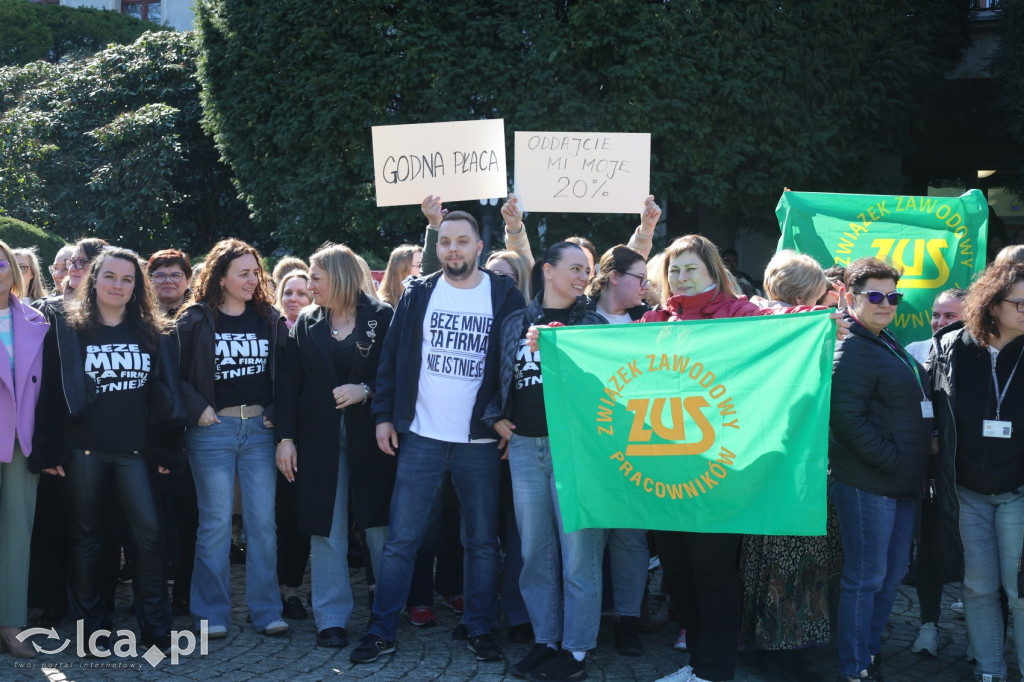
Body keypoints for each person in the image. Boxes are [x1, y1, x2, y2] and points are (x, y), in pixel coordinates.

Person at [350, 210, 526, 665]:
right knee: (402, 541)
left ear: (478, 247)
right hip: (422, 437)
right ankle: (382, 629)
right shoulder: (419, 291)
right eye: (445, 241)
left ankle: (481, 627)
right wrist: (384, 415)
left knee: (483, 542)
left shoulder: (504, 294)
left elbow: (516, 363)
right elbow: (391, 359)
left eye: (462, 241)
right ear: (438, 246)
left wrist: (505, 417)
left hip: (480, 441)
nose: (453, 249)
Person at [30, 247, 186, 655]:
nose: (119, 285)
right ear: (94, 279)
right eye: (111, 277)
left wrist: (169, 449)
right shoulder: (67, 328)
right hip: (83, 453)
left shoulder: (154, 331)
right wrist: (47, 450)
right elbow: (47, 393)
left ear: (138, 287)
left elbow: (168, 396)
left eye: (128, 279)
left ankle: (156, 628)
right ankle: (91, 631)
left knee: (149, 538)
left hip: (135, 453)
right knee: (87, 540)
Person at [489, 242, 611, 681]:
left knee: (579, 555)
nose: (583, 276)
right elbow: (496, 379)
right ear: (548, 271)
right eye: (575, 268)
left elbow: (607, 391)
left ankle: (576, 650)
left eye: (589, 270)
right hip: (524, 448)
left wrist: (559, 351)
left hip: (576, 453)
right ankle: (546, 641)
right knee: (534, 554)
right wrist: (496, 418)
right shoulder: (513, 323)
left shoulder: (595, 326)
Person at [275, 243, 395, 648]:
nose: (309, 286)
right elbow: (288, 386)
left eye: (315, 278)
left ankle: (387, 611)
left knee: (379, 525)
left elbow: (399, 376)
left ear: (339, 278)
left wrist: (366, 390)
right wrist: (285, 438)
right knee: (326, 528)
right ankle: (331, 618)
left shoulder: (381, 317)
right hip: (318, 440)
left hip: (374, 437)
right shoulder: (306, 323)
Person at [175, 238, 289, 639]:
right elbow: (172, 373)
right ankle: (210, 615)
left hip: (260, 430)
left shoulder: (270, 318)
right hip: (211, 431)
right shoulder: (195, 319)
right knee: (216, 524)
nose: (252, 279)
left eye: (255, 272)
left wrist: (275, 415)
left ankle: (266, 611)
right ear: (220, 277)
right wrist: (196, 406)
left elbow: (287, 376)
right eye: (243, 273)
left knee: (263, 524)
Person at [829, 257, 932, 682]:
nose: (885, 303)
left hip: (901, 483)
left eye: (893, 296)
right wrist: (894, 462)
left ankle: (869, 655)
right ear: (851, 297)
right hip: (869, 483)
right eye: (875, 295)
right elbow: (846, 418)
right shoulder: (852, 345)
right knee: (865, 578)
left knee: (890, 578)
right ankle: (853, 667)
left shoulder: (884, 339)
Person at [739, 250, 841, 681]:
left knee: (760, 551)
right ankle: (787, 646)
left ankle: (761, 638)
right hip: (800, 459)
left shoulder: (746, 321)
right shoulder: (812, 328)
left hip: (757, 456)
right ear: (811, 290)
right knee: (795, 553)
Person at [929, 262, 1024, 682]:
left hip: (1018, 492)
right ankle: (989, 670)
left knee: (1020, 591)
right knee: (978, 587)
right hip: (965, 491)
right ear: (991, 305)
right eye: (1020, 303)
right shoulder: (953, 349)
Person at [0, 241, 48, 659]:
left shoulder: (38, 320)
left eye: (0, 263)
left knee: (18, 532)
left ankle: (12, 623)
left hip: (21, 439)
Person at [586, 245, 652, 323]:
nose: (646, 287)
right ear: (614, 277)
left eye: (645, 280)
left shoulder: (649, 320)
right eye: (641, 278)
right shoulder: (576, 316)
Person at [905, 289, 966, 365]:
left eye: (949, 316)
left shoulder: (977, 356)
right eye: (936, 315)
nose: (940, 323)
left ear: (968, 320)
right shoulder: (913, 351)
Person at [147, 249, 193, 316]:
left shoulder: (200, 315)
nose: (168, 281)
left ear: (188, 280)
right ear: (149, 280)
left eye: (175, 275)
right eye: (160, 275)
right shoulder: (137, 314)